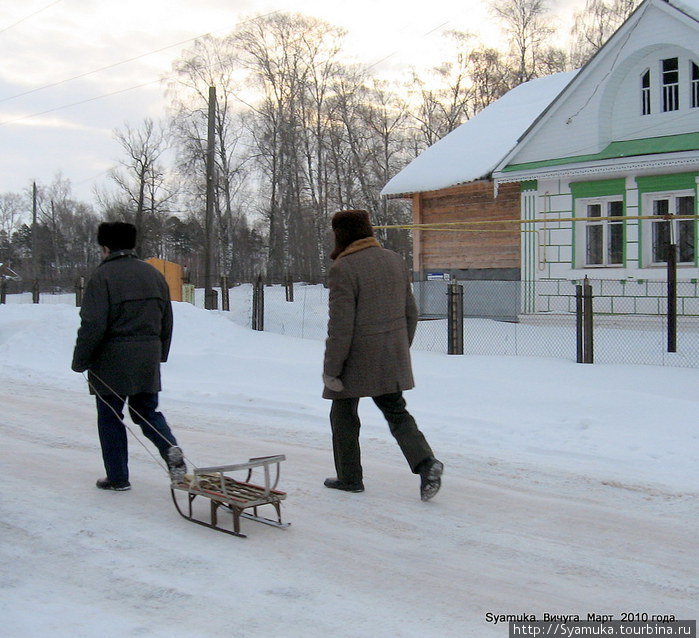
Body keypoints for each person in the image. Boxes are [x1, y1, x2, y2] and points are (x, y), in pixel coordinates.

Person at [322, 209, 443, 501]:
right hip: (391, 353)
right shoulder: (393, 260)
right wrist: (400, 346)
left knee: (343, 414)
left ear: (342, 235)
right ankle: (426, 464)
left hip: (355, 358)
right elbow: (410, 312)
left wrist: (332, 369)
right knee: (396, 411)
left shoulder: (343, 268)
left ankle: (350, 477)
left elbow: (341, 326)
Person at [72, 221, 186, 491]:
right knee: (146, 411)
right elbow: (166, 319)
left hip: (111, 358)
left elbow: (93, 324)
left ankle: (118, 477)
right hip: (147, 354)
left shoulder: (103, 277)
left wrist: (81, 360)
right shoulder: (154, 275)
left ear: (105, 246)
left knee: (111, 416)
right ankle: (170, 450)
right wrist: (159, 354)